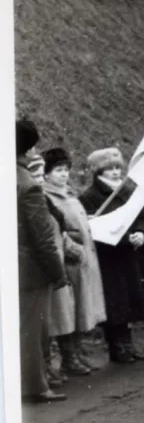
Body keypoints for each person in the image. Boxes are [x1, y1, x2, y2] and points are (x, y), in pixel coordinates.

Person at [79, 148, 144, 364]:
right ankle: (117, 346)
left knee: (131, 300)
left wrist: (142, 232)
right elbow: (95, 228)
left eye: (117, 168)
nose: (115, 172)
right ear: (98, 172)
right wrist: (125, 239)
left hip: (131, 254)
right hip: (111, 258)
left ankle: (128, 344)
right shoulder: (89, 197)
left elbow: (142, 214)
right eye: (109, 169)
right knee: (116, 303)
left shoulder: (127, 191)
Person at [17, 119, 70, 402]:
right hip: (28, 270)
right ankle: (36, 386)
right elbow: (43, 237)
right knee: (33, 329)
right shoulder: (28, 186)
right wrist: (57, 272)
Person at [41, 147, 106, 373]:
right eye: (58, 170)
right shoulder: (47, 196)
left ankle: (77, 353)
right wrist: (74, 247)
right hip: (69, 260)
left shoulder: (68, 194)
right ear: (47, 173)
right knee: (66, 312)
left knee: (80, 309)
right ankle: (69, 358)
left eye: (66, 169)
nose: (63, 174)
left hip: (82, 260)